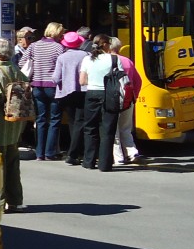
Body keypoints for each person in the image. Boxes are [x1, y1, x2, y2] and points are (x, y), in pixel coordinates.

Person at [0, 36, 26, 212]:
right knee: (12, 162)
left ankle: (0, 201)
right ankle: (15, 199)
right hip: (14, 124)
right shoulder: (14, 68)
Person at [78, 33, 124, 172]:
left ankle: (89, 161)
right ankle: (105, 164)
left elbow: (82, 81)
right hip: (109, 95)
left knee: (90, 128)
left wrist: (93, 81)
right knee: (108, 130)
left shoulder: (87, 59)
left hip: (91, 93)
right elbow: (121, 79)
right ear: (105, 45)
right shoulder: (114, 59)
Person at [22, 22, 64, 160]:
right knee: (54, 119)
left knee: (40, 119)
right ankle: (50, 152)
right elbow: (62, 66)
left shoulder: (34, 46)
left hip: (37, 86)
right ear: (56, 32)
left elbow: (22, 63)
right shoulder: (58, 47)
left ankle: (39, 153)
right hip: (52, 86)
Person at [54, 30, 87, 165]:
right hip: (83, 91)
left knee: (73, 122)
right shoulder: (86, 55)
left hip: (66, 92)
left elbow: (56, 77)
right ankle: (77, 152)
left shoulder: (62, 57)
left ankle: (73, 153)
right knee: (80, 122)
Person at [110, 37, 144, 165]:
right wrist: (134, 95)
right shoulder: (128, 61)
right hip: (128, 98)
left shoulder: (107, 61)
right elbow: (138, 81)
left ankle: (118, 157)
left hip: (113, 99)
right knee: (125, 128)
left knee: (114, 130)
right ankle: (132, 152)